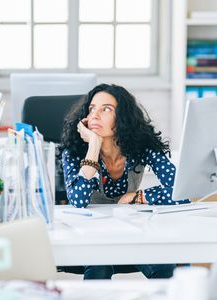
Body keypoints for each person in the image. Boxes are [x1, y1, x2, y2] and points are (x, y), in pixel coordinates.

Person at [57, 83, 189, 280]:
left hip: (132, 229)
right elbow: (78, 200)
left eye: (106, 109)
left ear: (123, 118)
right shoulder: (74, 150)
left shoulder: (141, 146)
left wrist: (139, 196)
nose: (95, 115)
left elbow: (181, 191)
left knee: (164, 264)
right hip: (91, 233)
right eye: (92, 109)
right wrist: (93, 145)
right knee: (98, 267)